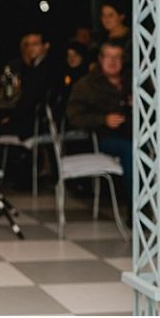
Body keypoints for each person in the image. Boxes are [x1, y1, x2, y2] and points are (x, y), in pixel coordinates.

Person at [66, 42, 132, 209]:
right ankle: (136, 207)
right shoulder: (87, 84)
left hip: (137, 133)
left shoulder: (133, 80)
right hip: (105, 137)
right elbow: (74, 117)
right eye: (109, 57)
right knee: (131, 150)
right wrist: (103, 119)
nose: (113, 61)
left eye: (117, 57)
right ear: (100, 59)